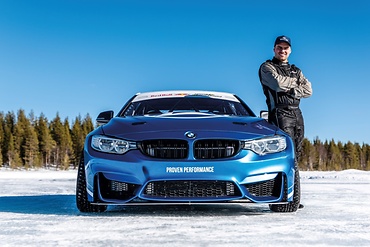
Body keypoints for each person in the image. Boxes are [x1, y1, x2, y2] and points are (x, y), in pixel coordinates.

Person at [258, 35, 312, 162]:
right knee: (286, 152)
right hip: (280, 113)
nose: (282, 51)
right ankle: (283, 181)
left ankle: (294, 181)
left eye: (285, 48)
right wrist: (296, 83)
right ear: (274, 49)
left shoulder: (295, 70)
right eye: (279, 48)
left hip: (297, 113)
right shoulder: (267, 67)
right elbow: (277, 84)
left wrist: (292, 90)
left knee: (296, 153)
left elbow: (309, 90)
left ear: (290, 50)